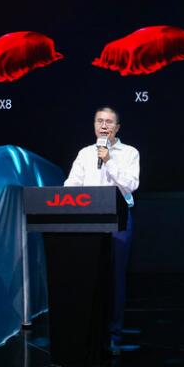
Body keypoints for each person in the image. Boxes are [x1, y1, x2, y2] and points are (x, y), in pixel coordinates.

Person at [64, 106, 139, 352]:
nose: (104, 125)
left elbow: (130, 185)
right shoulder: (85, 153)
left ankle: (114, 334)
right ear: (94, 125)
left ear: (117, 127)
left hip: (118, 218)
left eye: (109, 121)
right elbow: (71, 184)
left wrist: (108, 160)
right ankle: (89, 332)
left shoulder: (129, 153)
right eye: (99, 121)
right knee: (88, 274)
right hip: (87, 219)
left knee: (116, 276)